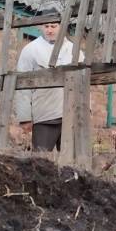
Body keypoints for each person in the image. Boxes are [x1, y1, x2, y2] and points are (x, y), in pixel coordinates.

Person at [15, 13, 80, 151]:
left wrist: (87, 110)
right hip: (44, 115)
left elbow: (84, 82)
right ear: (41, 27)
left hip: (71, 116)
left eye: (53, 26)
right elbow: (22, 86)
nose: (49, 30)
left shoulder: (75, 51)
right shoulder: (31, 50)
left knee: (72, 164)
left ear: (61, 27)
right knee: (40, 162)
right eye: (46, 26)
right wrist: (25, 117)